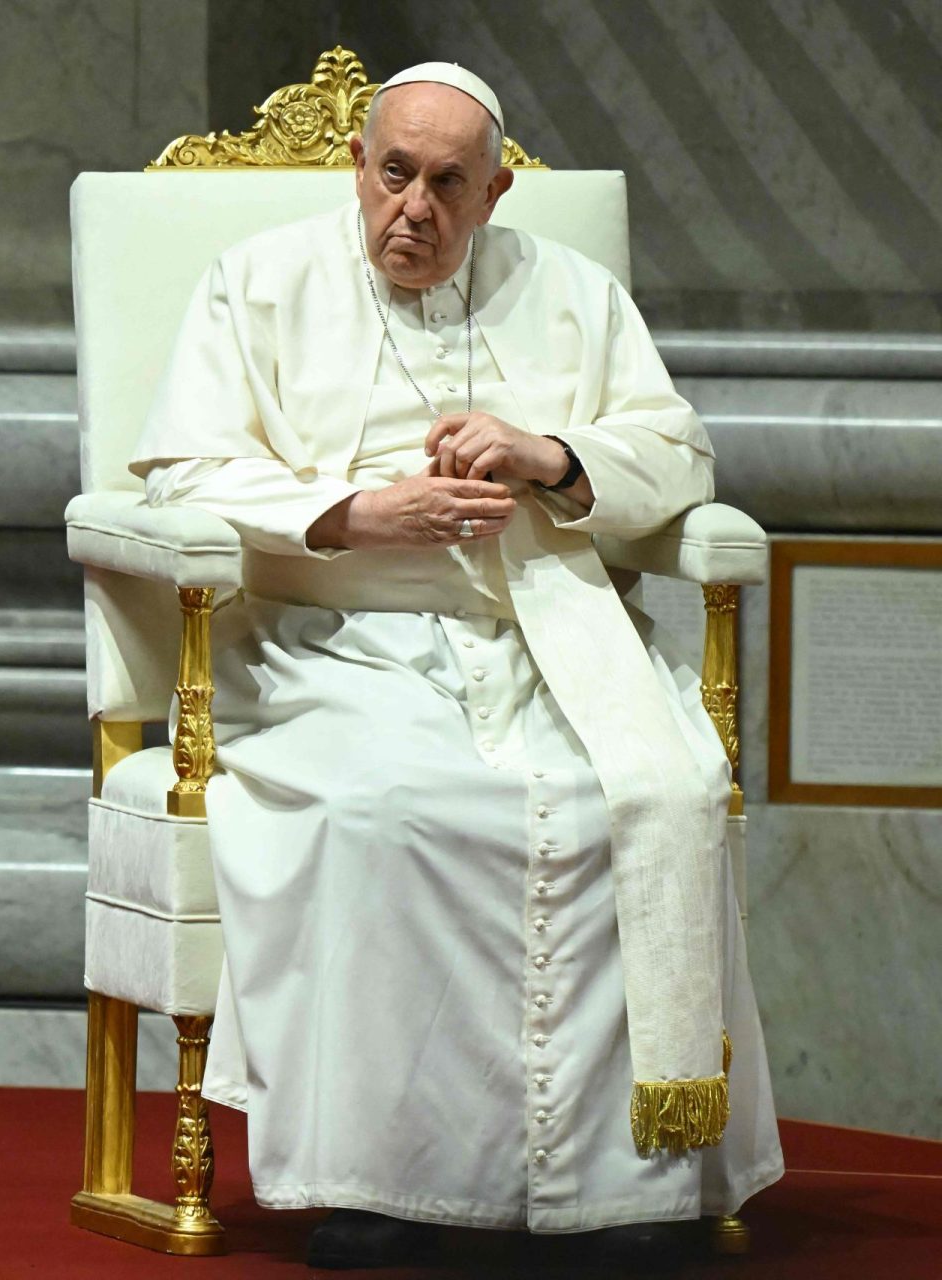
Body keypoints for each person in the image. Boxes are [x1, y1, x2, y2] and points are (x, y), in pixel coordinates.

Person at [129, 62, 783, 1270]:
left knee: (642, 800)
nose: (413, 210)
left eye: (446, 184)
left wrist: (550, 452)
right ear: (358, 168)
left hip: (553, 633)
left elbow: (677, 453)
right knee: (387, 810)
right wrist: (351, 512)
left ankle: (622, 1190)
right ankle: (385, 1188)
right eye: (393, 175)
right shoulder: (258, 286)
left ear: (497, 190)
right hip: (333, 646)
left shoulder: (571, 292)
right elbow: (180, 475)